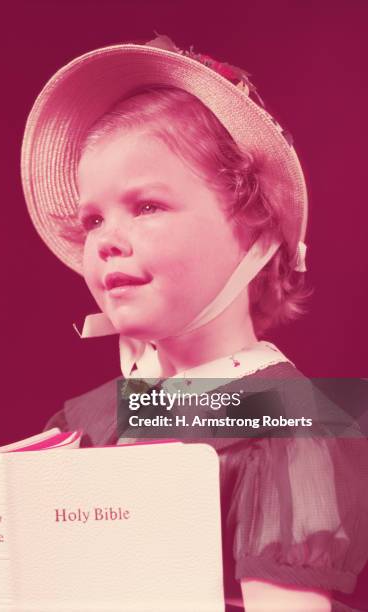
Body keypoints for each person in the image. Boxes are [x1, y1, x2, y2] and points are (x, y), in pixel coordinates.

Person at [21, 35, 368, 611]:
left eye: (148, 206)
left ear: (253, 230)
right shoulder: (90, 420)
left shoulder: (290, 426)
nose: (106, 240)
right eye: (92, 219)